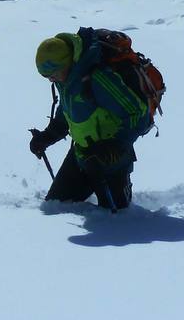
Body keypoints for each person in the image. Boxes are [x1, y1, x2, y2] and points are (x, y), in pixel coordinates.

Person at [29, 31, 150, 210]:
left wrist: (116, 146)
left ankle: (123, 185)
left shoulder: (98, 79)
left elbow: (139, 114)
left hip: (111, 157)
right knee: (56, 204)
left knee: (115, 214)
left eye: (53, 74)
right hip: (82, 154)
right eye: (46, 76)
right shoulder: (66, 80)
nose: (51, 80)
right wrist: (47, 136)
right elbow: (68, 112)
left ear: (67, 62)